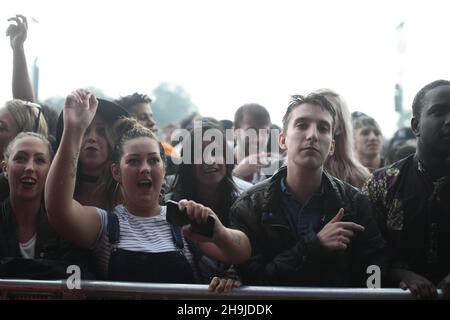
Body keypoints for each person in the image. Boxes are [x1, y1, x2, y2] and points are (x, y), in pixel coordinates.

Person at [45, 89, 251, 288]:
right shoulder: (105, 225)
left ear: (164, 169)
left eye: (153, 160)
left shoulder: (181, 219)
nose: (145, 168)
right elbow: (58, 210)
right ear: (116, 172)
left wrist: (219, 233)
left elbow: (241, 252)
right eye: (134, 161)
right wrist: (74, 130)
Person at [230, 93, 386, 287]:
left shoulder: (356, 203)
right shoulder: (249, 206)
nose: (312, 135)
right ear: (282, 141)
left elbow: (376, 272)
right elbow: (253, 281)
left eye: (323, 128)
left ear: (331, 146)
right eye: (302, 125)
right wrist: (315, 245)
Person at [363, 80, 450, 299]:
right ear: (415, 126)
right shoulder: (380, 183)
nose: (449, 121)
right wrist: (397, 274)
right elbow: (362, 260)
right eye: (438, 112)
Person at [0, 133, 93, 279]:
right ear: (5, 168)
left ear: (51, 170)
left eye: (39, 160)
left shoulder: (65, 226)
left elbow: (80, 276)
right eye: (20, 158)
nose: (30, 167)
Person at [54, 98, 128, 210]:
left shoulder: (130, 196)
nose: (92, 138)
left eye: (101, 131)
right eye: (84, 131)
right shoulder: (50, 189)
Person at [315, 89, 370, 189]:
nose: (319, 116)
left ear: (340, 127)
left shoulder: (358, 177)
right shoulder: (280, 172)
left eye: (329, 111)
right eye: (315, 108)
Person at [232, 103, 280, 184]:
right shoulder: (220, 163)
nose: (259, 139)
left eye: (264, 132)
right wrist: (236, 174)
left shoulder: (275, 167)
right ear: (235, 132)